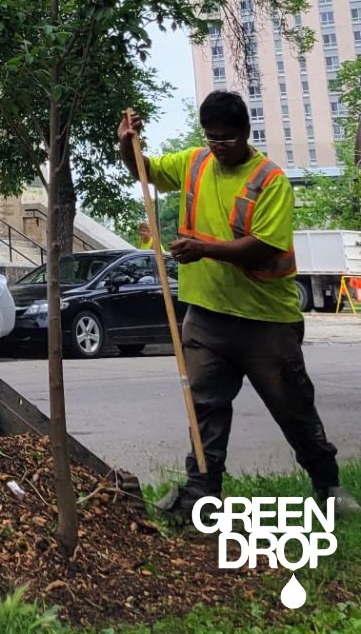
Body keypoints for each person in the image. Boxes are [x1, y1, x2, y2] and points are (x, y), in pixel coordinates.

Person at [118, 91, 359, 521]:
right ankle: (202, 492)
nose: (219, 146)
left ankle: (329, 487)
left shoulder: (270, 180)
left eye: (227, 138)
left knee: (293, 406)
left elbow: (263, 249)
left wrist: (203, 248)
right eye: (212, 138)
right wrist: (126, 142)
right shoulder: (194, 162)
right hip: (207, 316)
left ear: (246, 132)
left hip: (265, 320)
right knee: (204, 406)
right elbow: (144, 169)